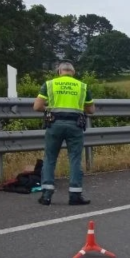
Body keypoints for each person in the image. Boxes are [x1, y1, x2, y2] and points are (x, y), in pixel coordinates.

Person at [32, 61, 95, 206]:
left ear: (59, 72)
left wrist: (50, 109)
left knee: (50, 158)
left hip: (54, 124)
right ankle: (75, 195)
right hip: (75, 125)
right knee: (74, 159)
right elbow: (91, 110)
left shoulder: (49, 84)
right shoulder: (82, 86)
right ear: (73, 72)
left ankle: (47, 195)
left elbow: (37, 106)